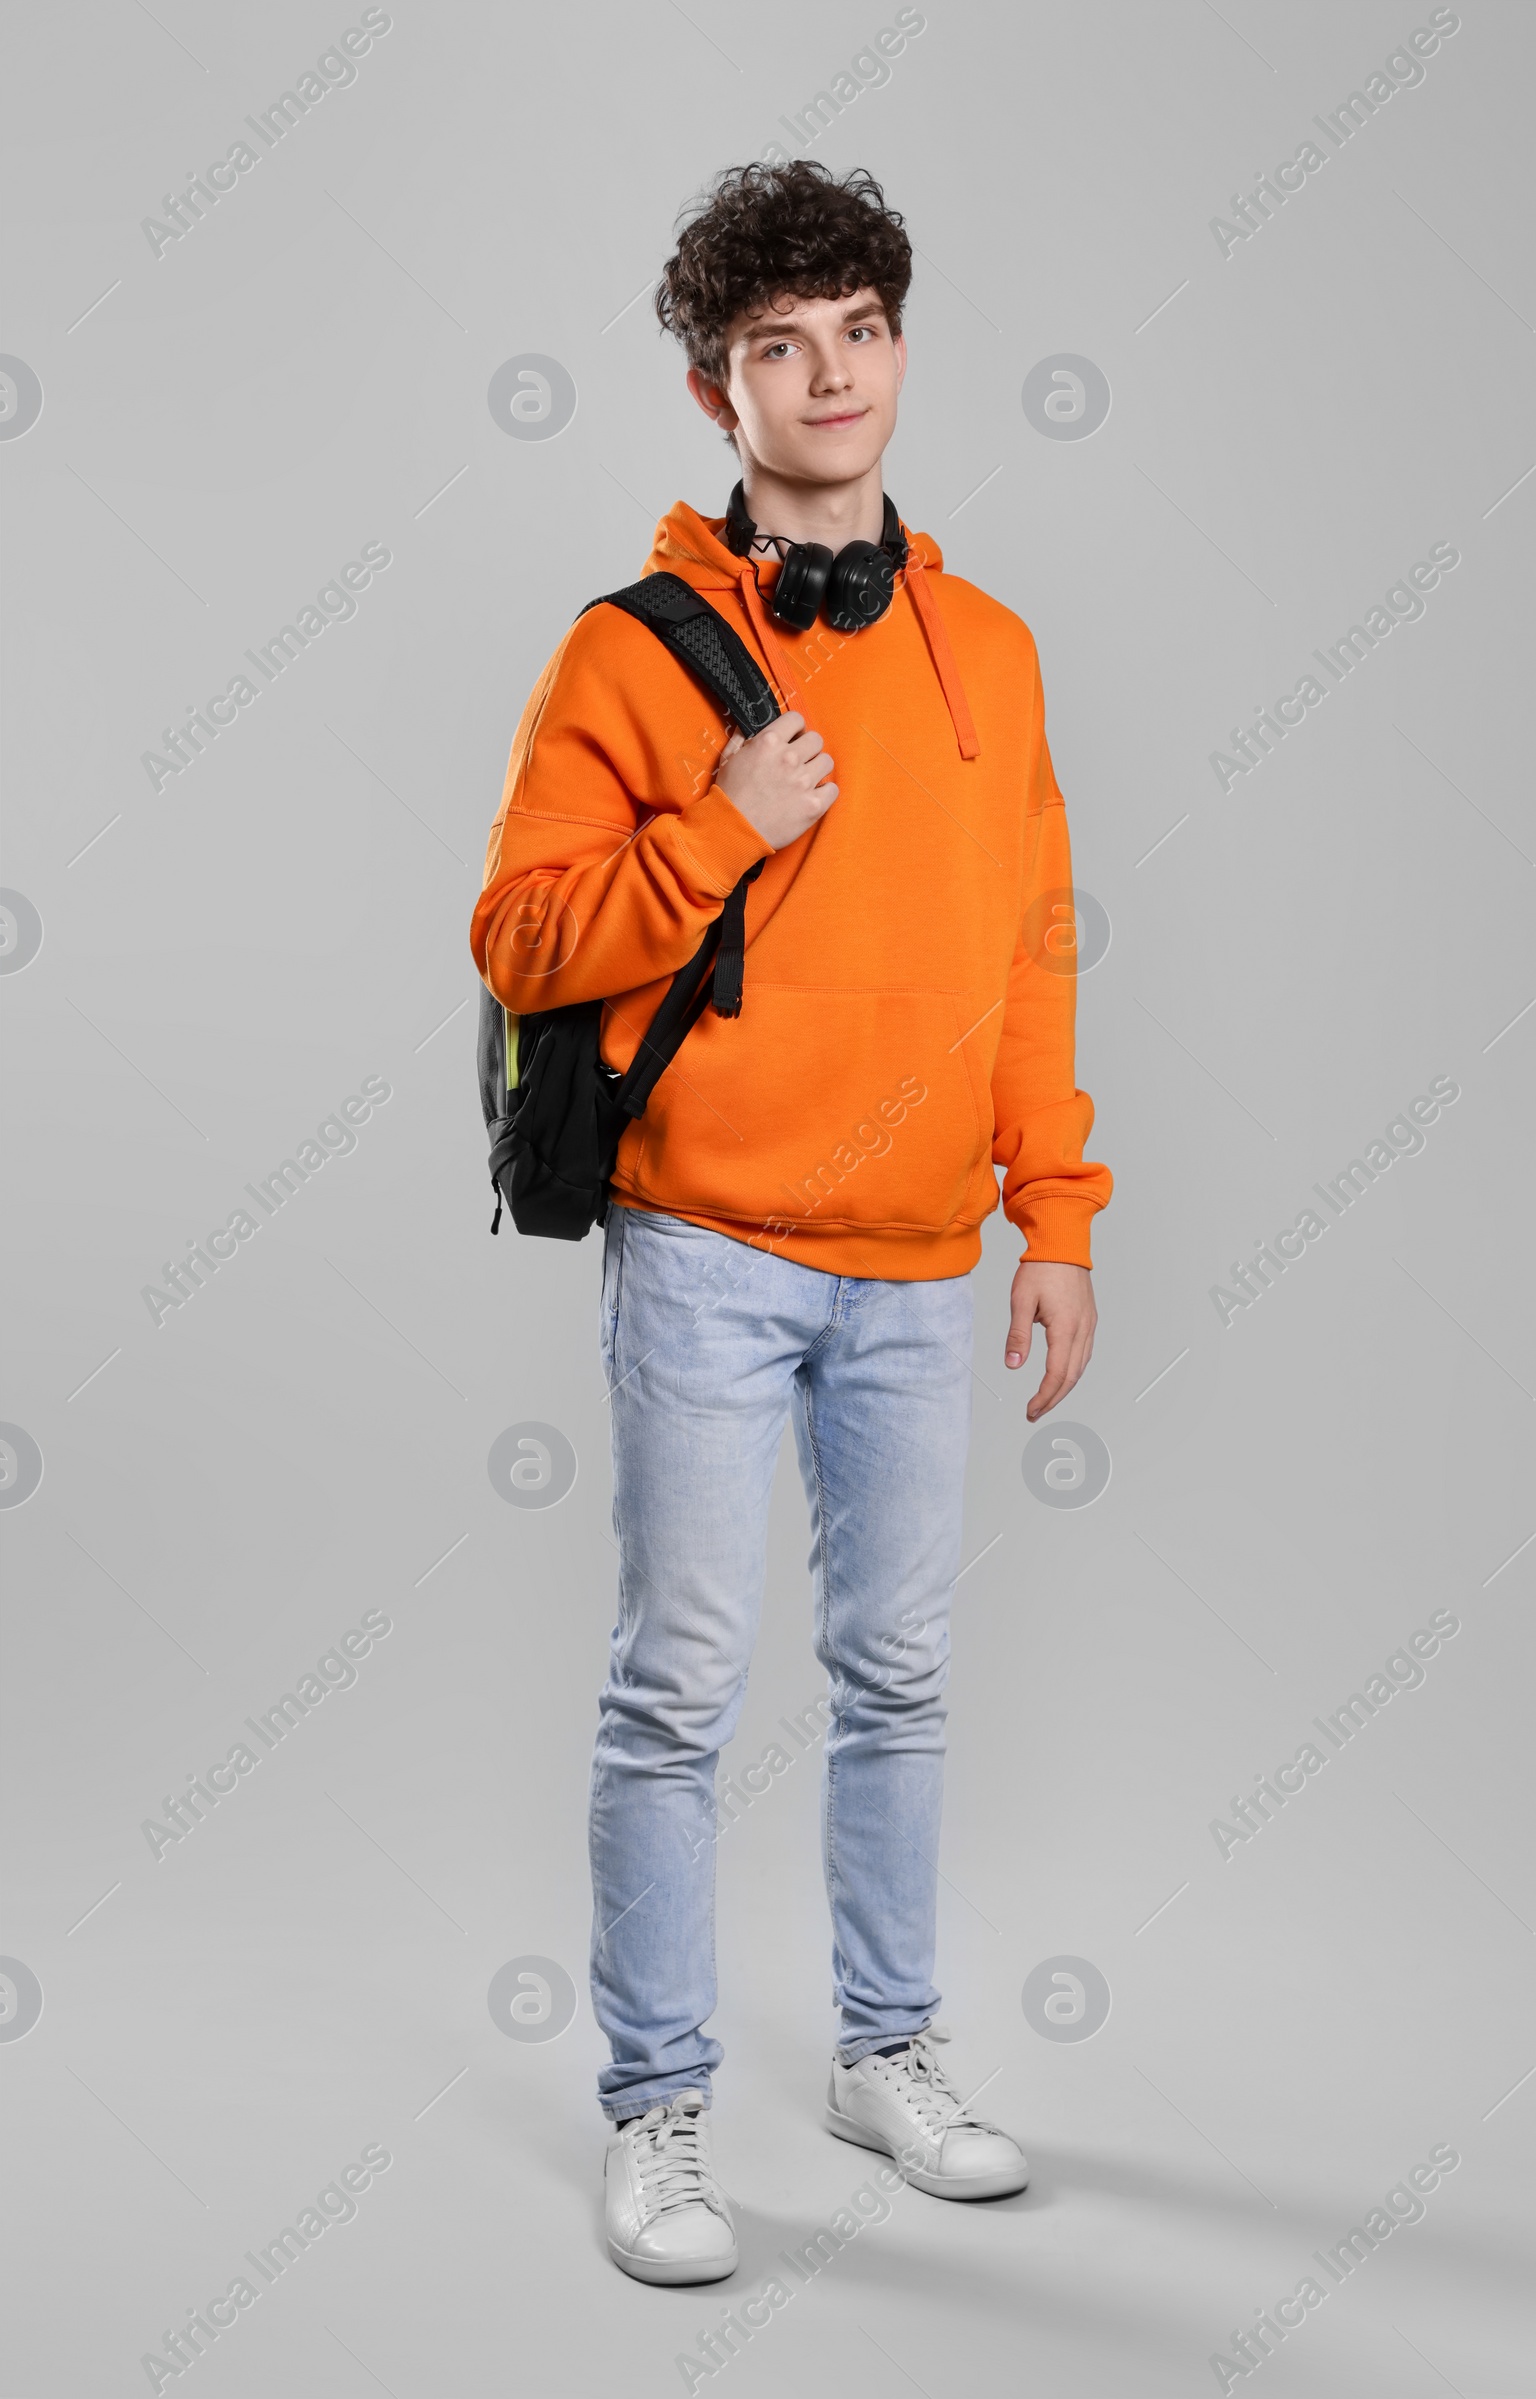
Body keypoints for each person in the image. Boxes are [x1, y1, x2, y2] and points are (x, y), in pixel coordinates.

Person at [470, 159, 1111, 2286]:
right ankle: (654, 2111)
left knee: (899, 1677)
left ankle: (884, 2053)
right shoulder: (632, 652)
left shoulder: (990, 652)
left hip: (929, 1261)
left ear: (899, 352)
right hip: (710, 1251)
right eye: (776, 347)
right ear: (709, 389)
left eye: (856, 331)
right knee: (673, 1689)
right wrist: (706, 838)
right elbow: (522, 933)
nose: (825, 376)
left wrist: (1059, 1214)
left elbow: (1029, 948)